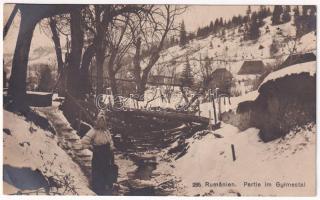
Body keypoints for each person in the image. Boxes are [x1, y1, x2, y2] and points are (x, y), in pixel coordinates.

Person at [81, 113, 116, 195]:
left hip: (107, 153)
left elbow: (110, 141)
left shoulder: (106, 131)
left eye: (103, 121)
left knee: (107, 169)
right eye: (100, 121)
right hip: (98, 153)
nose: (102, 123)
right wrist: (90, 147)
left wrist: (111, 148)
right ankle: (97, 188)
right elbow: (84, 141)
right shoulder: (93, 131)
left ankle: (106, 186)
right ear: (97, 122)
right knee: (98, 170)